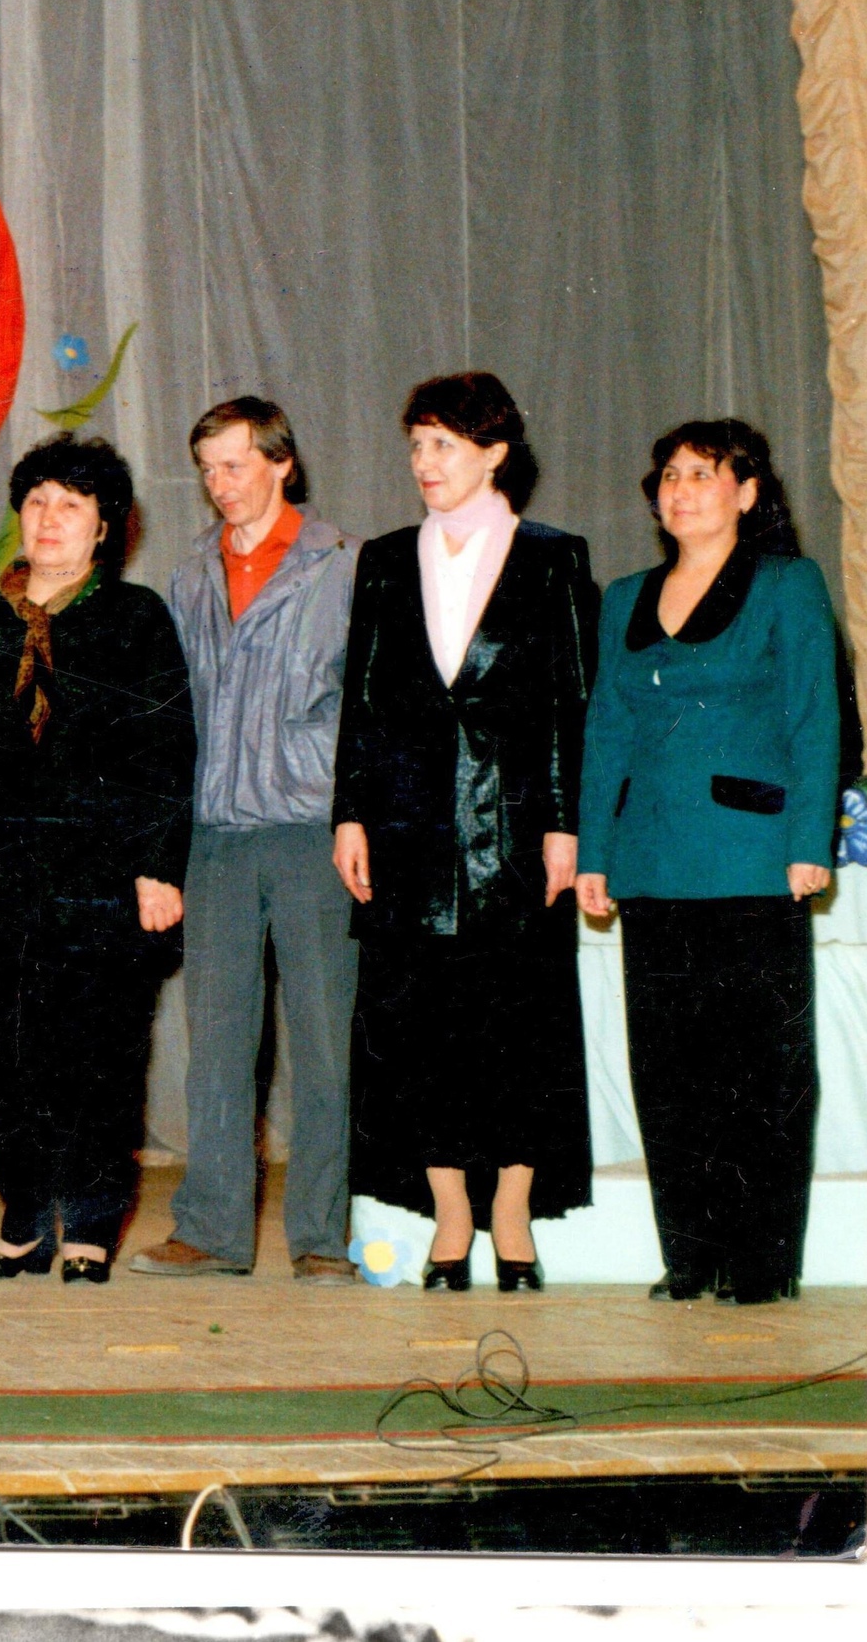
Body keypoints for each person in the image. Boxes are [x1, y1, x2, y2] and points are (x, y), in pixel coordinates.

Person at [333, 371, 598, 1292]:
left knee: (522, 1027)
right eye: (416, 445)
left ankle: (512, 1214)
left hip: (514, 833)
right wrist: (350, 813)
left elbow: (570, 703)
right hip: (405, 832)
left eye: (443, 444)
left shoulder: (554, 557)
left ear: (494, 453)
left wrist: (564, 825)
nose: (424, 462)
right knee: (420, 1029)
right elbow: (362, 703)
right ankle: (450, 1216)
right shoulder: (383, 559)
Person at [0, 434, 194, 1285]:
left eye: (71, 505)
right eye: (37, 501)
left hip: (103, 879)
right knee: (7, 1057)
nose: (49, 518)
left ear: (105, 526)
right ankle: (25, 1222)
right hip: (0, 876)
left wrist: (157, 866)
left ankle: (92, 1228)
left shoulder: (135, 616)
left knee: (101, 1058)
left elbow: (164, 750)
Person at [576, 421, 838, 1306]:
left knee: (762, 1068)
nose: (680, 491)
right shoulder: (625, 596)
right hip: (652, 860)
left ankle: (761, 1262)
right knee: (668, 1067)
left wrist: (807, 842)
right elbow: (606, 730)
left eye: (701, 474)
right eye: (669, 476)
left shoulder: (787, 584)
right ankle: (689, 1256)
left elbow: (815, 715)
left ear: (747, 492)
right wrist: (595, 851)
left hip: (753, 858)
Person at [132, 398, 362, 1285]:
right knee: (218, 1046)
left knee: (325, 1045)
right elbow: (172, 720)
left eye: (235, 464)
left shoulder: (343, 565)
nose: (219, 484)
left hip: (311, 833)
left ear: (281, 464)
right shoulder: (192, 573)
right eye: (207, 469)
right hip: (217, 836)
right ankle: (213, 1232)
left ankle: (322, 1238)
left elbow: (370, 712)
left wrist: (356, 817)